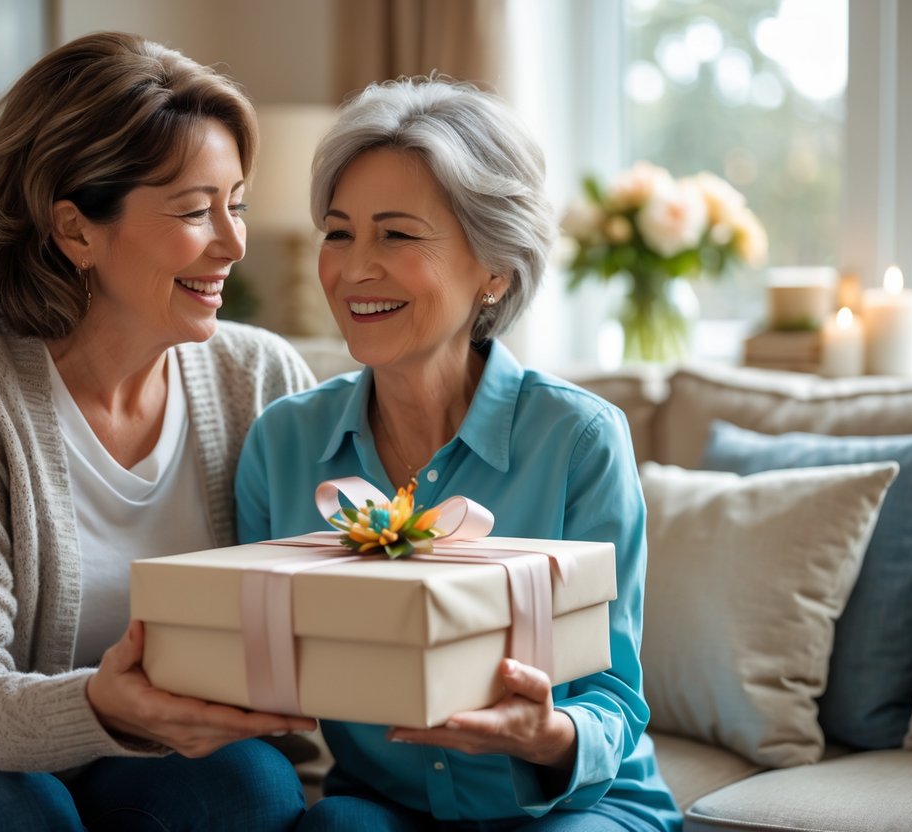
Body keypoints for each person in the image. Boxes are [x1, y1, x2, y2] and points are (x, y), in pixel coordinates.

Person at [0, 32, 319, 832]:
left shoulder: (261, 377)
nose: (233, 242)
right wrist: (99, 704)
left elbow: (313, 611)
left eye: (236, 204)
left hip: (135, 749)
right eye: (193, 210)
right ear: (75, 231)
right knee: (22, 815)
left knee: (248, 788)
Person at [235, 77, 682, 831]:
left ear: (493, 268)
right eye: (338, 233)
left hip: (577, 806)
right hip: (385, 805)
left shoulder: (578, 440)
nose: (352, 269)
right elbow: (256, 663)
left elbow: (612, 697)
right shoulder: (283, 443)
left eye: (396, 234)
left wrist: (544, 734)